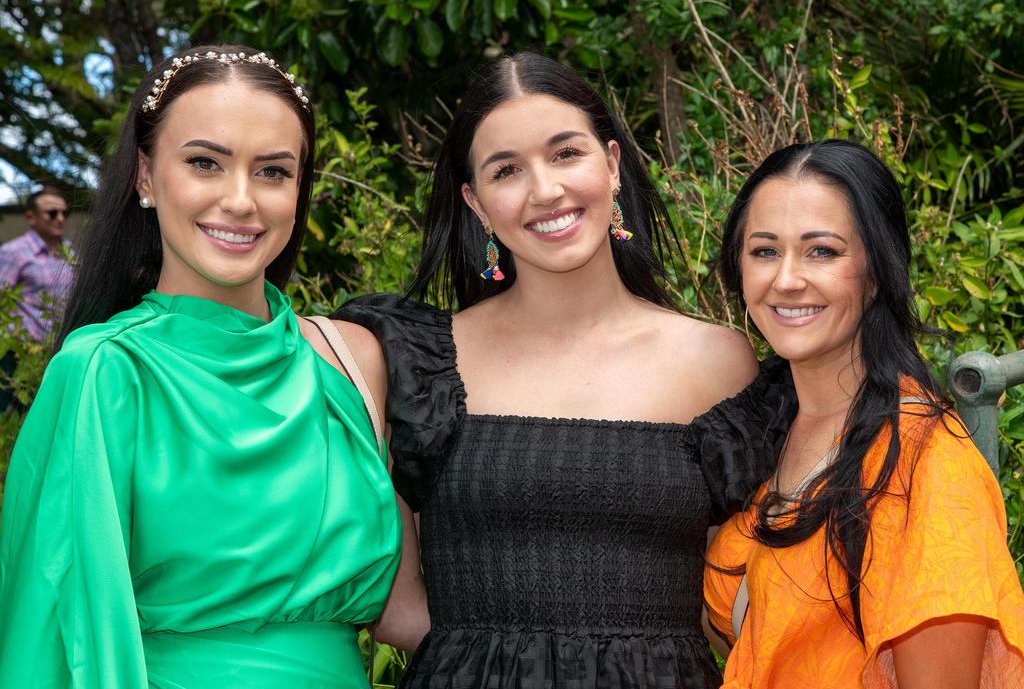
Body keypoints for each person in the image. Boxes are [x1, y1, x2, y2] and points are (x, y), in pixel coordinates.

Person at [336, 52, 796, 688]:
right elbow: (396, 609)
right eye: (506, 170)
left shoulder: (717, 361)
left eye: (564, 154)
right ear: (475, 203)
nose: (544, 190)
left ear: (610, 165)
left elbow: (737, 595)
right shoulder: (418, 365)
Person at [0, 45, 401, 688]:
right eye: (205, 163)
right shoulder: (103, 371)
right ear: (146, 177)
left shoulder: (353, 364)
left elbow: (411, 610)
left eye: (272, 171)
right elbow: (54, 634)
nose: (240, 200)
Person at [703, 139, 1024, 688]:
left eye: (821, 251)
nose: (785, 279)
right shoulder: (757, 428)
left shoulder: (927, 468)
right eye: (764, 251)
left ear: (875, 272)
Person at [0, 187, 76, 407]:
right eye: (52, 213)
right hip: (18, 357)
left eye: (65, 213)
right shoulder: (14, 252)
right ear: (31, 217)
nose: (60, 219)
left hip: (58, 352)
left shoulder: (68, 251)